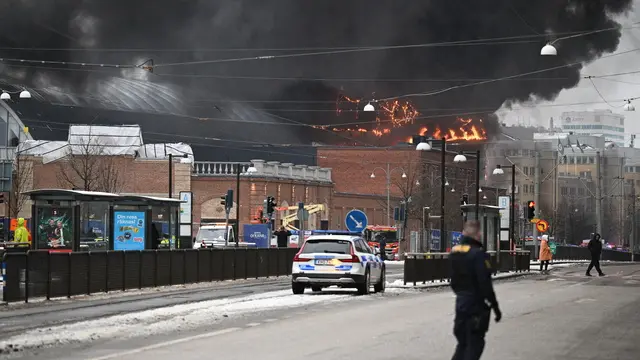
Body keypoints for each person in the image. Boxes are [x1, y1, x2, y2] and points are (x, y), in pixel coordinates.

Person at [450, 220, 502, 360]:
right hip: (476, 306)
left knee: (462, 344)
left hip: (460, 304)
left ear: (464, 233)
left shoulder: (455, 253)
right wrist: (495, 306)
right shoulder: (478, 254)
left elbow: (453, 281)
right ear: (478, 235)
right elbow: (485, 283)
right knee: (475, 344)